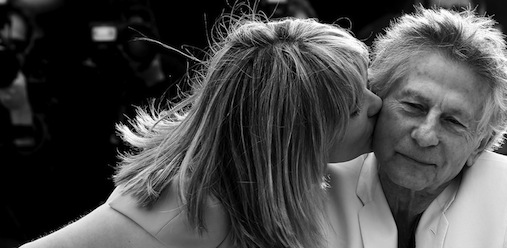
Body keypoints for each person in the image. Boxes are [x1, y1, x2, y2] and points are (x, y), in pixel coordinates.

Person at [19, 11, 382, 248]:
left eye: (368, 84)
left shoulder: (274, 184)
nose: (377, 103)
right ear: (296, 135)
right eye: (353, 108)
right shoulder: (186, 204)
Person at [323, 6, 507, 248]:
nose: (424, 136)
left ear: (480, 145)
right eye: (413, 106)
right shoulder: (322, 176)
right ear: (377, 98)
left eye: (453, 121)